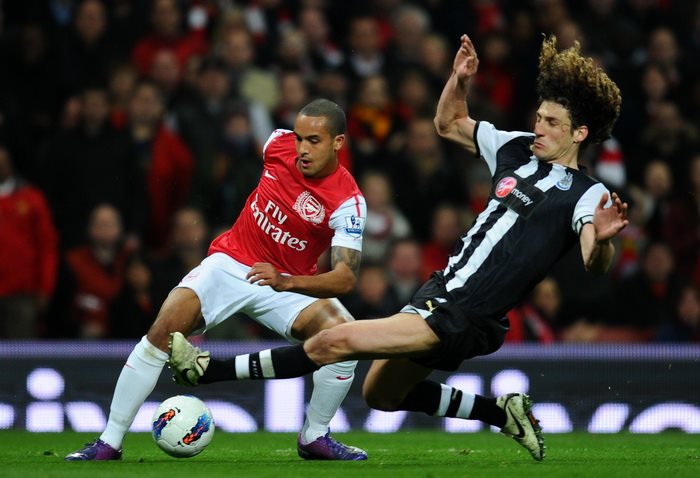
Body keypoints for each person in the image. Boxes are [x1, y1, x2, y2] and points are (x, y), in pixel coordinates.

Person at [170, 34, 628, 462]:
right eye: (539, 117)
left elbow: (594, 259)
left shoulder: (587, 193)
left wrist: (604, 241)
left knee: (333, 341)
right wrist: (459, 81)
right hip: (440, 291)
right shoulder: (516, 148)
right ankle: (500, 411)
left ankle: (206, 370)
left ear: (579, 134)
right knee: (381, 394)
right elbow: (449, 123)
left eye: (551, 123)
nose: (539, 127)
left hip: (466, 311)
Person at [65, 99, 368, 461]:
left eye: (314, 141)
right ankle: (109, 441)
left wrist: (286, 282)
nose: (302, 148)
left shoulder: (348, 202)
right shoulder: (277, 143)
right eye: (300, 138)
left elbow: (345, 278)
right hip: (230, 262)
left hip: (286, 281)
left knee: (345, 339)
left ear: (338, 142)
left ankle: (314, 436)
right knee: (162, 330)